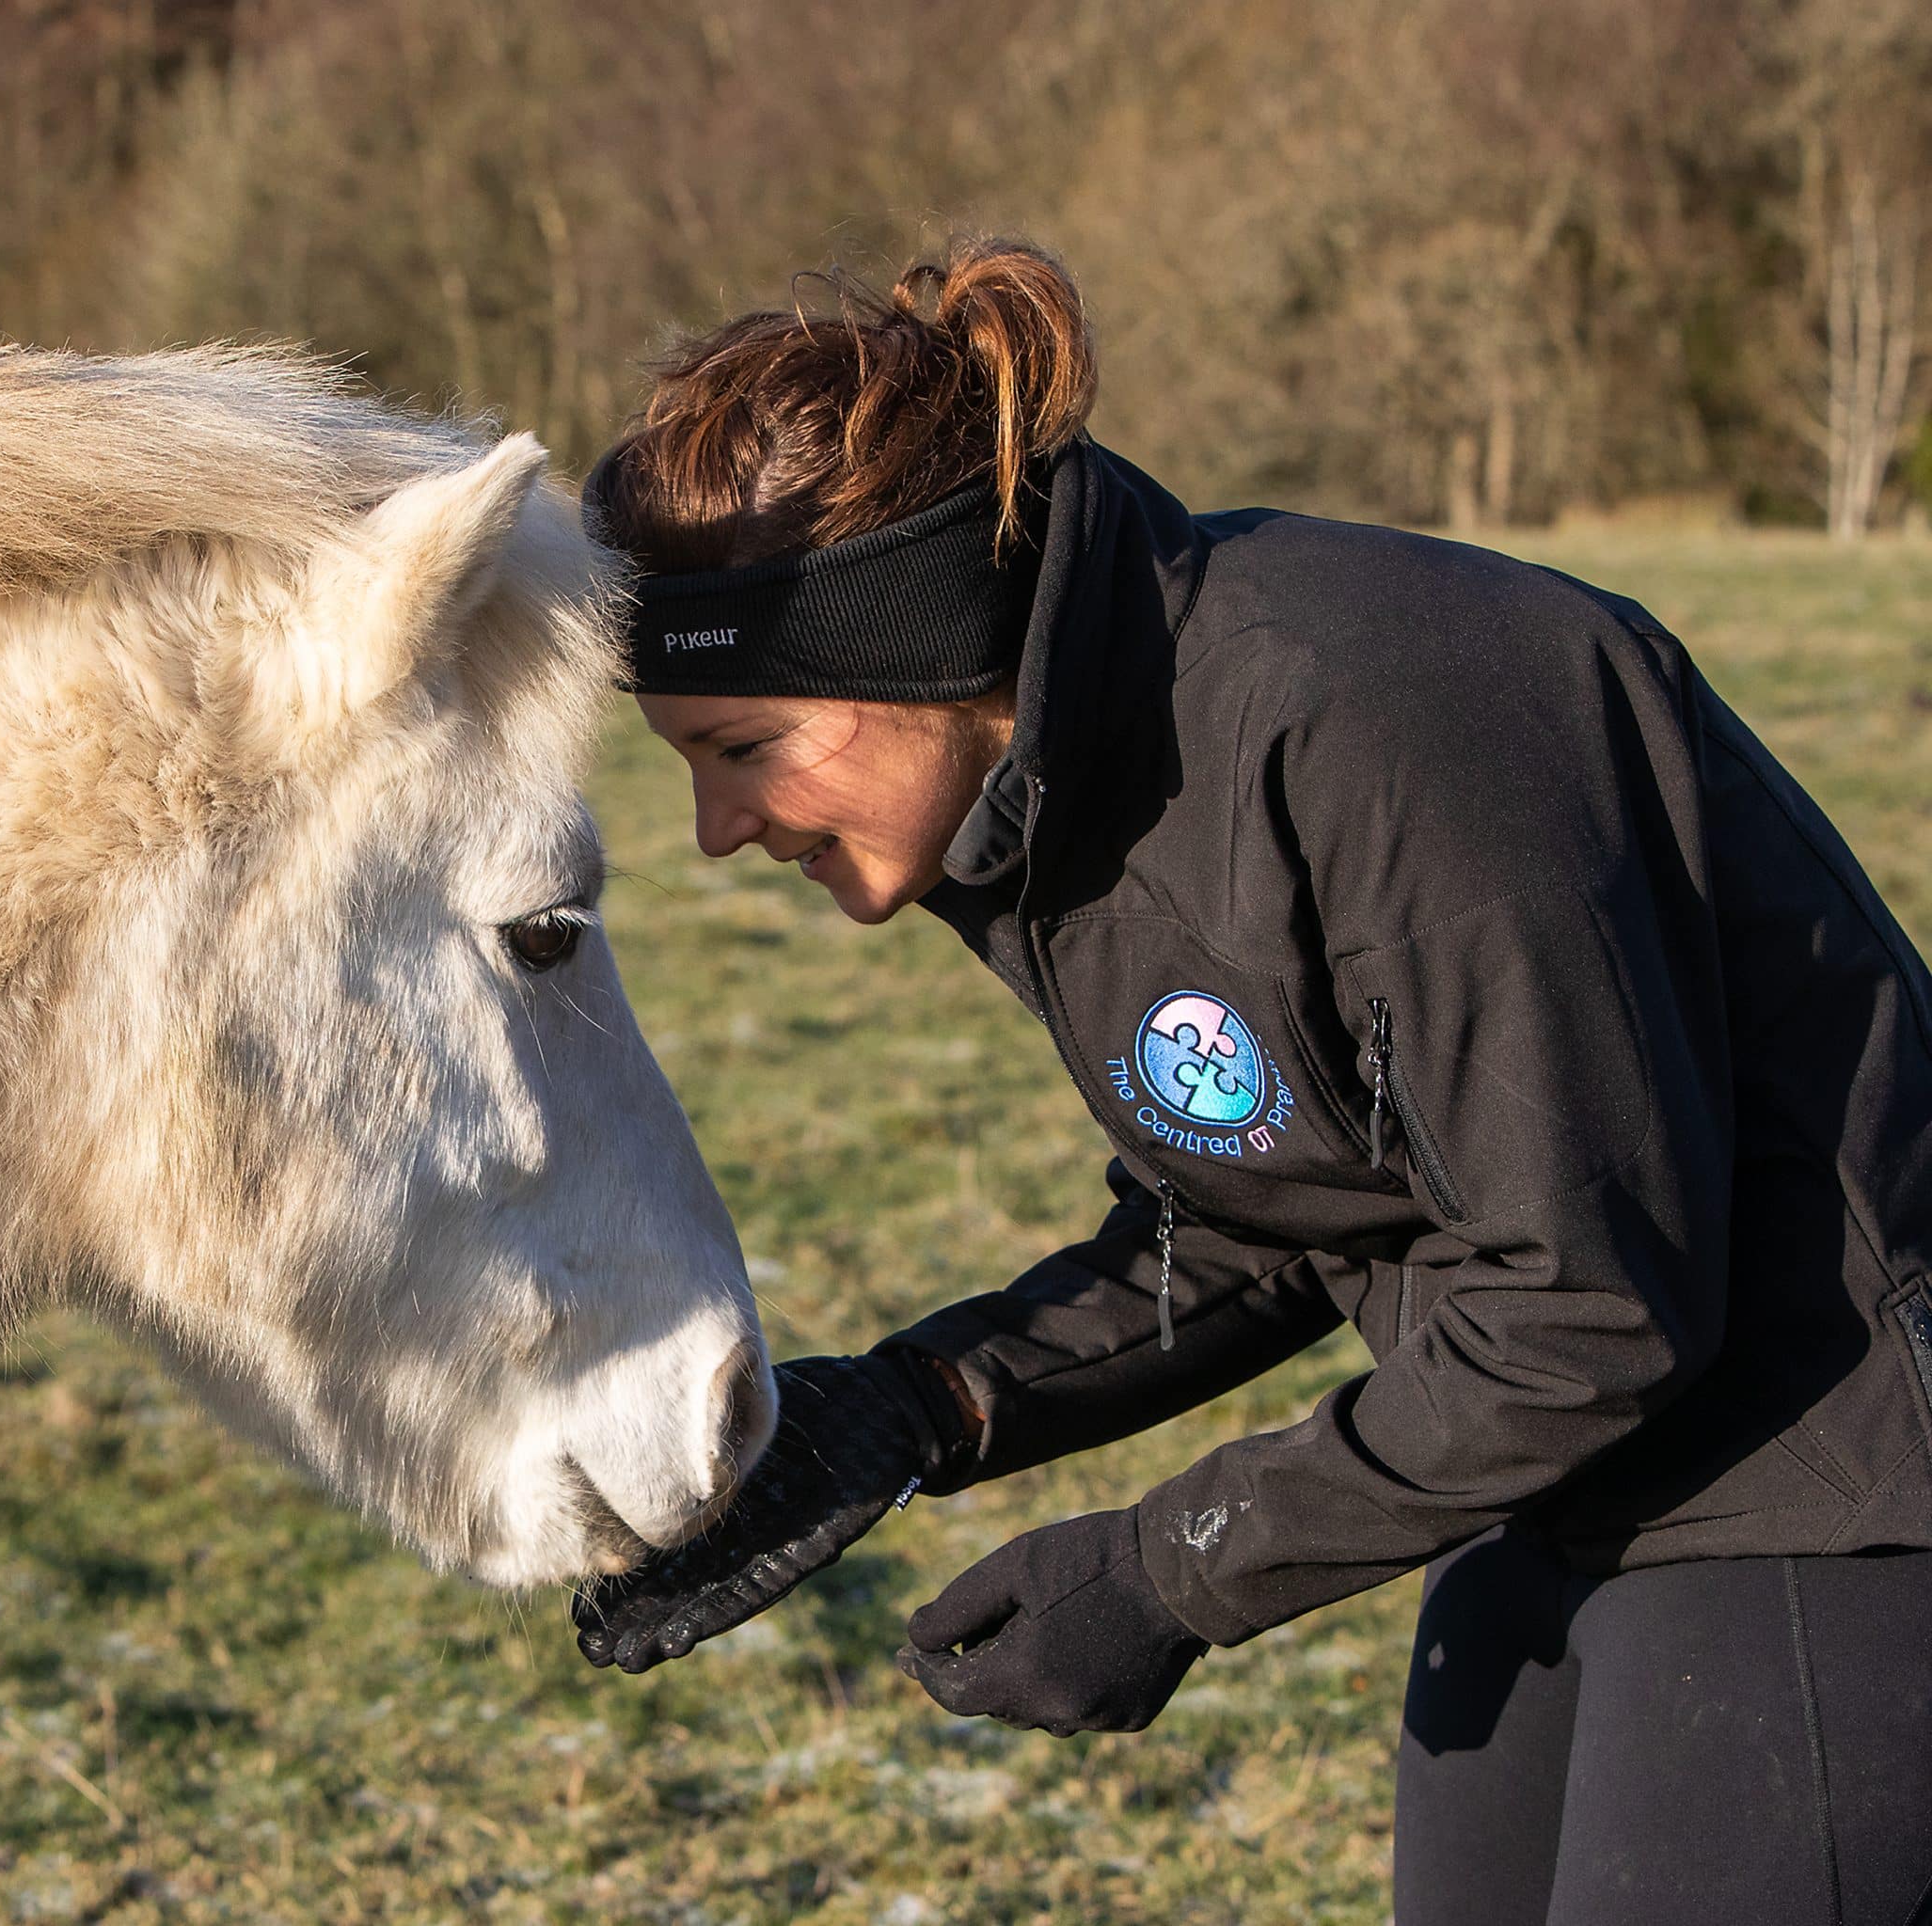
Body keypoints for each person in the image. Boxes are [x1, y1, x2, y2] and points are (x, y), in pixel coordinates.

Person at [569, 237, 1932, 1924]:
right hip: (1565, 1482)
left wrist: (1169, 1569)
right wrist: (918, 1409)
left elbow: (1593, 1301)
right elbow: (1282, 1198)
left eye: (743, 749)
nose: (715, 834)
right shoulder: (1064, 797)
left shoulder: (1382, 724)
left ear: (914, 647)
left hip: (1835, 1471)